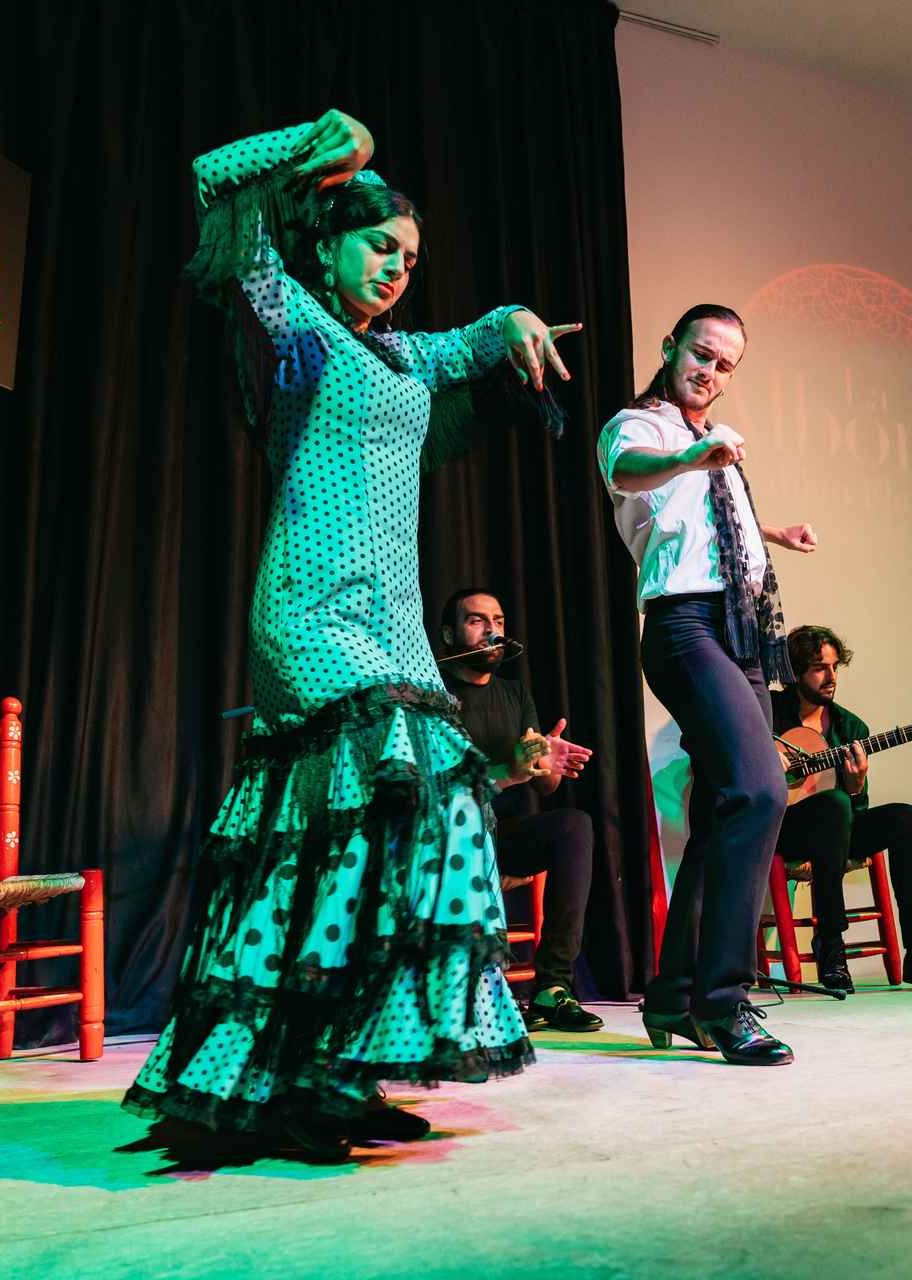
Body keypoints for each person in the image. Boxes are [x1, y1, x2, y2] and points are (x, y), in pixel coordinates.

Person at [121, 109, 580, 1161]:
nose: (397, 268)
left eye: (413, 257)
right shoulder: (289, 321)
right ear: (326, 242)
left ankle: (329, 1062)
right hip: (313, 614)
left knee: (433, 821)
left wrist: (509, 314)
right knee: (339, 828)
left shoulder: (404, 356)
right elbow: (207, 179)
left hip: (399, 630)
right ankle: (272, 1068)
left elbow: (469, 342)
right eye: (380, 244)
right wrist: (327, 143)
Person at [598, 304, 819, 1066]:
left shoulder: (705, 444)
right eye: (702, 353)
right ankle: (723, 1005)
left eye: (726, 364)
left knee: (730, 804)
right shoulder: (644, 428)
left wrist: (773, 533)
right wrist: (695, 462)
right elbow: (627, 475)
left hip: (742, 631)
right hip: (685, 629)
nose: (711, 371)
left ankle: (674, 996)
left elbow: (711, 525)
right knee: (762, 793)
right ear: (670, 347)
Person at [770, 625, 912, 994]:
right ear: (795, 672)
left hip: (834, 832)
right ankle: (831, 948)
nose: (831, 677)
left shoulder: (851, 728)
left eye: (835, 667)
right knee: (832, 805)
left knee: (902, 816)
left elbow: (855, 810)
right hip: (783, 831)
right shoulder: (767, 715)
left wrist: (855, 785)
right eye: (819, 667)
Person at [436, 586, 603, 1032]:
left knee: (575, 826)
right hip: (453, 839)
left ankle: (552, 988)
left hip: (507, 836)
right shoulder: (432, 692)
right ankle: (470, 990)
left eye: (499, 622)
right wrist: (508, 768)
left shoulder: (515, 693)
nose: (492, 631)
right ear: (450, 635)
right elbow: (439, 788)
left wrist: (545, 760)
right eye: (476, 621)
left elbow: (545, 783)